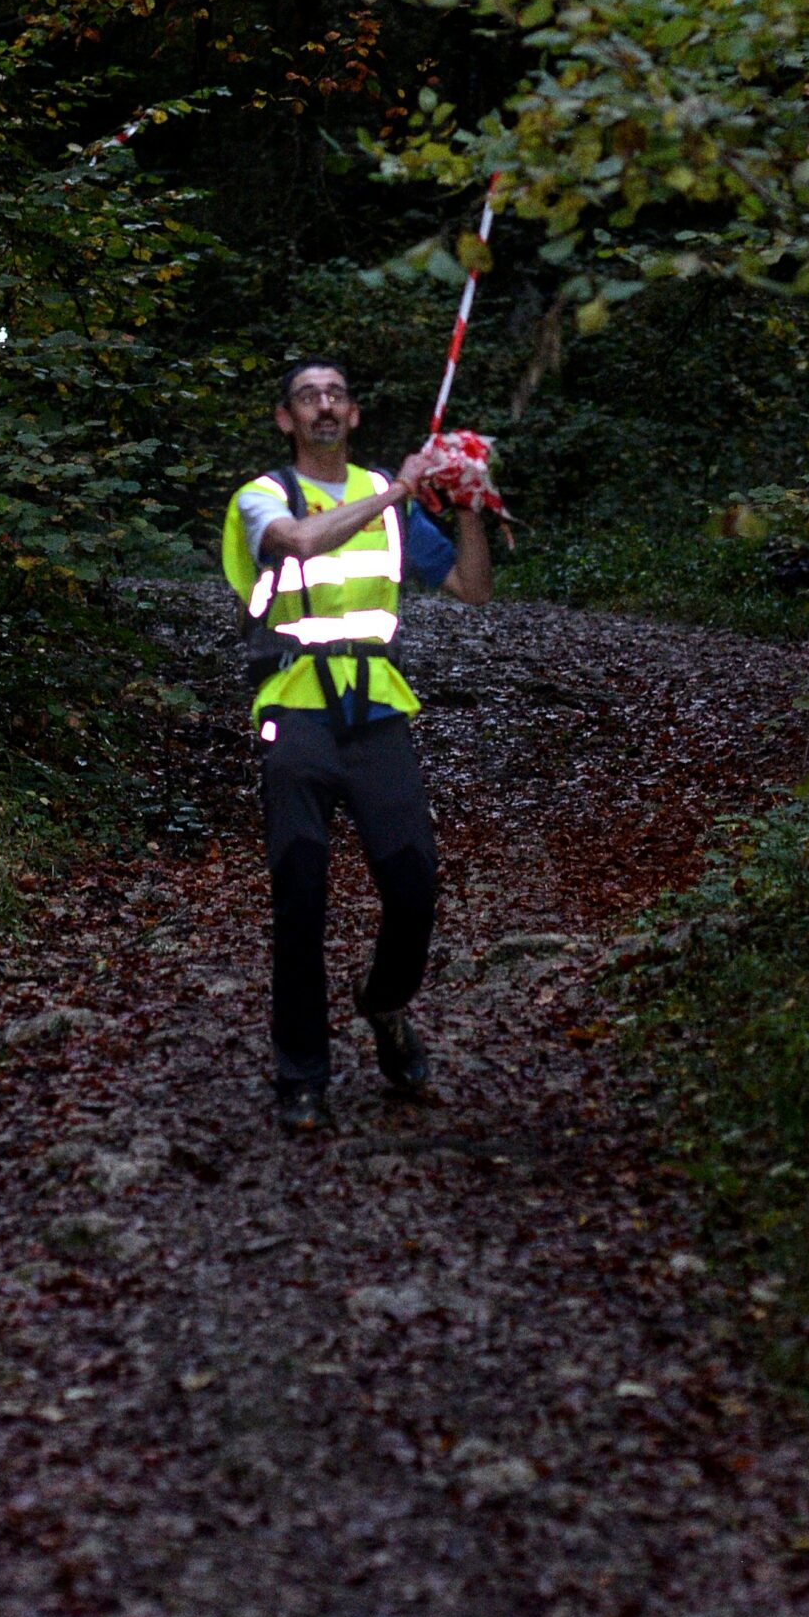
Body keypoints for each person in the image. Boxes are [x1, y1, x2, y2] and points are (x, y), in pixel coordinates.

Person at [220, 360, 493, 1134]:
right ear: (286, 418)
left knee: (413, 886)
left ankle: (384, 1003)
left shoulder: (385, 498)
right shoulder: (263, 496)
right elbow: (300, 542)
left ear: (354, 413)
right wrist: (399, 489)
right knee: (299, 896)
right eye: (308, 396)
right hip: (294, 711)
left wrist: (469, 505)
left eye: (335, 394)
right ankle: (301, 1076)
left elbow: (471, 588)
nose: (324, 405)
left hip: (377, 712)